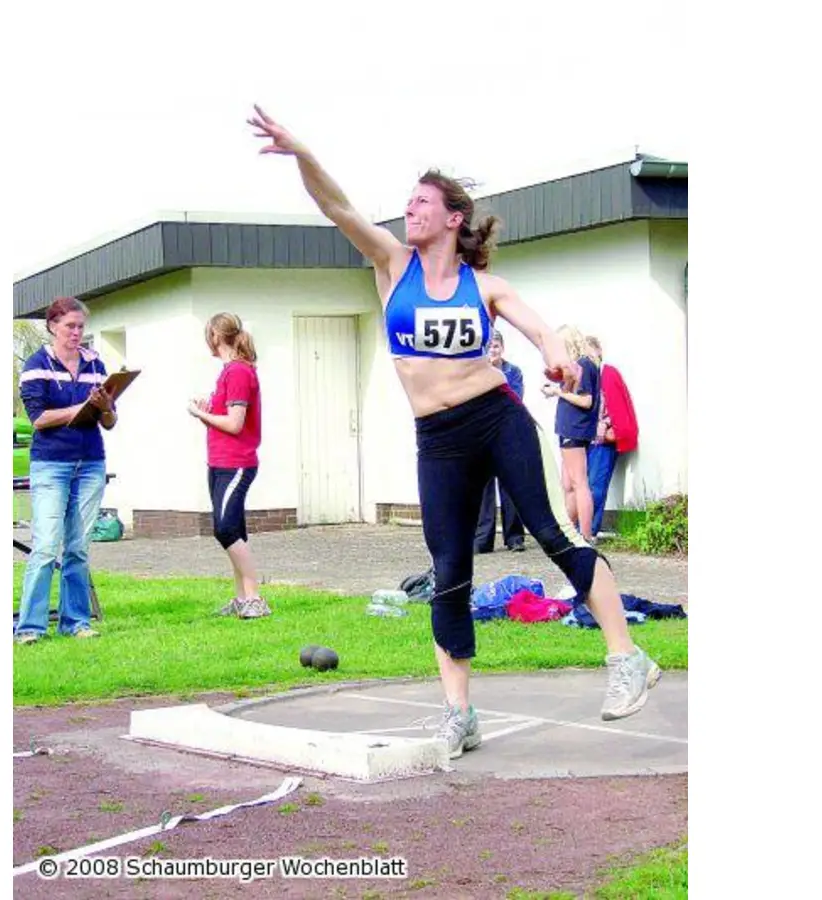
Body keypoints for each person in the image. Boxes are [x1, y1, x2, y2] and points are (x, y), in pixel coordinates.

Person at [248, 105, 661, 755]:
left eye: (421, 202)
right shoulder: (392, 266)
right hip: (437, 440)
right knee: (449, 571)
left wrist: (557, 355)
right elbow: (337, 207)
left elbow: (540, 328)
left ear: (452, 219)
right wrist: (302, 152)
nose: (408, 210)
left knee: (554, 534)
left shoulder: (485, 286)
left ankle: (627, 657)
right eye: (407, 202)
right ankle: (459, 713)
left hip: (497, 419)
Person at [14, 297, 118, 644]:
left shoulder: (95, 364)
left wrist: (105, 407)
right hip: (51, 464)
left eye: (80, 327)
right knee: (45, 545)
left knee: (78, 546)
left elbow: (109, 422)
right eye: (70, 326)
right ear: (52, 326)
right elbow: (39, 419)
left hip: (90, 462)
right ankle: (30, 627)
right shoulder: (36, 365)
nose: (76, 332)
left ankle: (75, 621)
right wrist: (81, 406)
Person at [188, 312, 271, 620]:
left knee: (224, 529)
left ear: (214, 337)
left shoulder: (237, 372)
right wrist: (208, 412)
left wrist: (199, 413)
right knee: (234, 529)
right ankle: (241, 599)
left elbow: (235, 424)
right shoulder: (229, 372)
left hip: (236, 463)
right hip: (219, 461)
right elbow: (228, 419)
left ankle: (255, 598)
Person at [541, 326, 602, 542]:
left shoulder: (584, 365)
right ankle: (568, 532)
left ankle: (585, 535)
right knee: (568, 485)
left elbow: (586, 401)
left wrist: (559, 392)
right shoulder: (578, 366)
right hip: (570, 428)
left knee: (579, 483)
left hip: (575, 429)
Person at [475, 331, 526, 553]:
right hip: (483, 436)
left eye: (495, 346)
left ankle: (514, 537)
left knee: (511, 487)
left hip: (507, 435)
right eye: (488, 347)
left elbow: (514, 401)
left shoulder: (513, 372)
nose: (492, 350)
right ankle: (483, 539)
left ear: (502, 348)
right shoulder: (476, 373)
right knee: (484, 489)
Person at [583, 335, 639, 536]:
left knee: (595, 486)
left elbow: (618, 406)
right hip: (584, 439)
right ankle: (584, 529)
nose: (587, 357)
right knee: (584, 486)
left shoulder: (608, 373)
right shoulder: (585, 375)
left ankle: (589, 530)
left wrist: (607, 426)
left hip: (602, 441)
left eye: (589, 351)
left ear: (598, 350)